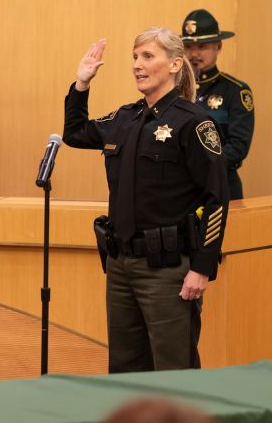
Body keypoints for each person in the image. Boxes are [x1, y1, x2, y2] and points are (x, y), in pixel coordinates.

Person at [63, 29, 229, 372]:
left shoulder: (193, 122)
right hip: (121, 264)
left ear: (174, 64)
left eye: (148, 57)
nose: (138, 65)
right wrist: (81, 84)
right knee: (124, 369)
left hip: (167, 268)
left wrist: (202, 267)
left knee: (174, 369)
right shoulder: (126, 118)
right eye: (135, 58)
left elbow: (216, 198)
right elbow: (75, 134)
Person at [182, 9, 253, 200]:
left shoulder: (235, 90)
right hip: (181, 190)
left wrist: (199, 165)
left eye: (202, 46)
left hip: (221, 186)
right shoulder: (173, 90)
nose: (194, 54)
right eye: (188, 46)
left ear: (218, 46)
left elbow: (238, 147)